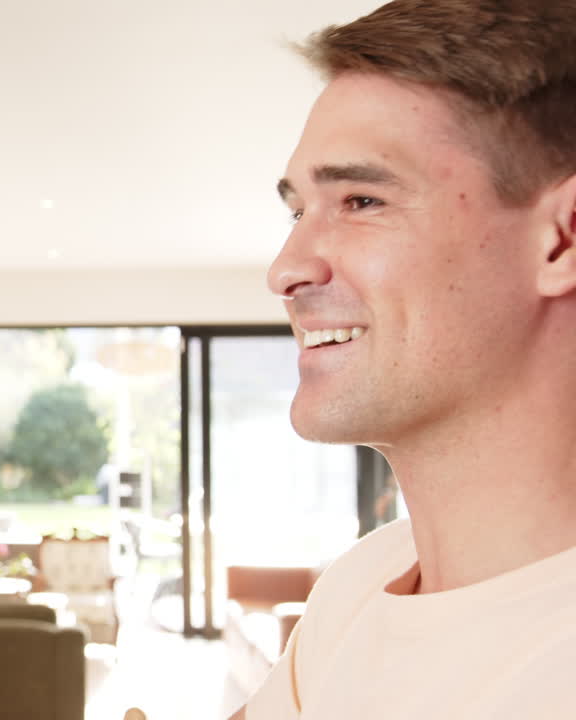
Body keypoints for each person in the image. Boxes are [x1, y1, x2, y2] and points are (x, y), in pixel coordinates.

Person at [232, 1, 576, 717]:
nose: (285, 269)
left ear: (563, 241)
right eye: (298, 212)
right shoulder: (364, 580)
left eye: (360, 200)